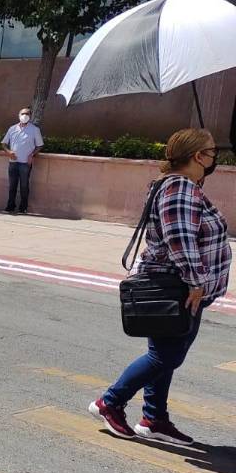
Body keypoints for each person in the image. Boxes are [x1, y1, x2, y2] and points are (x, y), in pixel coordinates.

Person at [90, 129, 230, 444]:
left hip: (179, 286)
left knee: (163, 353)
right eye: (211, 151)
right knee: (167, 356)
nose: (214, 156)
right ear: (198, 156)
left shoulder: (183, 186)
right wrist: (196, 282)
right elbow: (179, 238)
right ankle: (109, 402)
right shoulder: (180, 188)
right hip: (179, 288)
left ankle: (153, 418)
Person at [1, 107, 43, 214]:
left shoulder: (34, 130)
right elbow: (3, 143)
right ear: (19, 115)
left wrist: (32, 155)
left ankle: (23, 207)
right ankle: (10, 206)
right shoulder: (12, 129)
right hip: (13, 162)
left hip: (25, 163)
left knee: (24, 186)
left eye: (27, 114)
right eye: (23, 113)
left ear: (30, 116)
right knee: (12, 185)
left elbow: (39, 145)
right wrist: (8, 152)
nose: (25, 115)